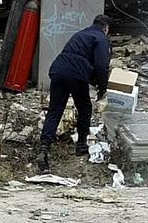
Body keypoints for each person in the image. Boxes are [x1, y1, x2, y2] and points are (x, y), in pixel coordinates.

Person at [38, 14, 112, 172]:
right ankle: (81, 144)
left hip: (58, 70)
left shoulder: (81, 34)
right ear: (106, 28)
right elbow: (101, 65)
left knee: (55, 110)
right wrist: (102, 89)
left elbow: (78, 56)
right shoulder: (101, 38)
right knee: (85, 107)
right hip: (76, 74)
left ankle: (44, 149)